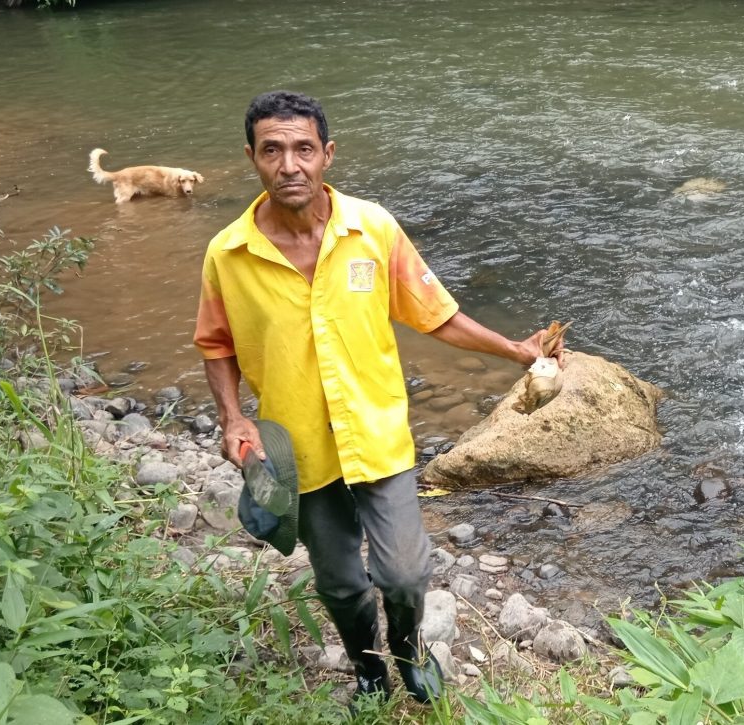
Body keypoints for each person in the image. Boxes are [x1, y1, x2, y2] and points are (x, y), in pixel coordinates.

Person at [193, 90, 560, 707]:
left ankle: (410, 656)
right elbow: (216, 343)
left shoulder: (373, 229)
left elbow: (436, 315)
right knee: (338, 581)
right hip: (299, 449)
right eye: (273, 150)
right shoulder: (228, 254)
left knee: (404, 573)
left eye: (304, 149)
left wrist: (515, 350)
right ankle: (368, 670)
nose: (290, 166)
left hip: (378, 433)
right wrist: (232, 418)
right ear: (252, 158)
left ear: (328, 154)